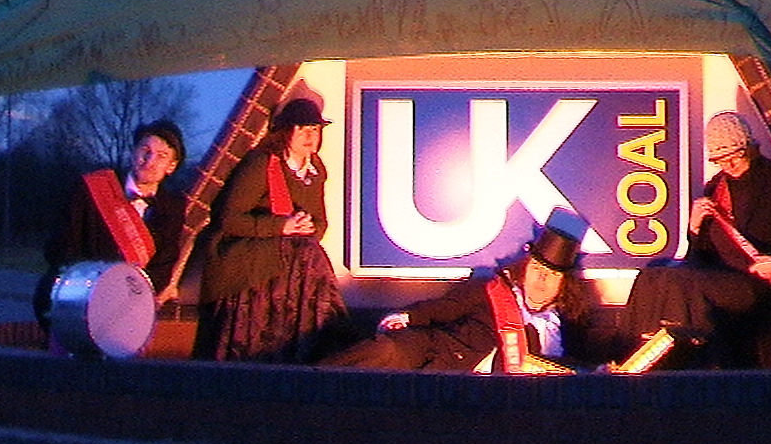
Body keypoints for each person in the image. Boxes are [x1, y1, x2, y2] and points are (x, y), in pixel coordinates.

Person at [620, 111, 771, 367]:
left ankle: (690, 365)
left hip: (761, 281)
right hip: (719, 277)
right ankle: (631, 356)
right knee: (652, 275)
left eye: (736, 156)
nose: (729, 165)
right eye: (721, 160)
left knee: (681, 282)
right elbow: (700, 256)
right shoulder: (715, 189)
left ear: (750, 147)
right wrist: (694, 228)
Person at [319, 211, 606, 372]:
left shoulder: (564, 327)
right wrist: (408, 317)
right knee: (388, 350)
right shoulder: (491, 289)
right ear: (524, 268)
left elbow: (569, 367)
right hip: (440, 357)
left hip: (492, 399)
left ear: (564, 284)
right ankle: (303, 385)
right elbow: (445, 307)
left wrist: (599, 372)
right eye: (537, 270)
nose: (542, 281)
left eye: (552, 275)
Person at [193, 97, 352, 363]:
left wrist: (307, 227)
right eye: (301, 129)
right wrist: (281, 226)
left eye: (314, 129)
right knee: (308, 256)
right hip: (243, 252)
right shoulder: (260, 164)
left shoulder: (316, 170)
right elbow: (227, 219)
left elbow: (320, 222)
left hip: (291, 254)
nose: (309, 136)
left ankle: (317, 347)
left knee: (310, 254)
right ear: (284, 132)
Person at [32, 118, 189, 328]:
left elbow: (163, 266)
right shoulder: (92, 188)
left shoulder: (174, 207)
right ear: (133, 152)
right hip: (78, 302)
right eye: (145, 150)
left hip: (127, 311)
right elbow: (60, 248)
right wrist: (95, 287)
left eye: (161, 156)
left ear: (171, 166)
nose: (149, 161)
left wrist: (130, 299)